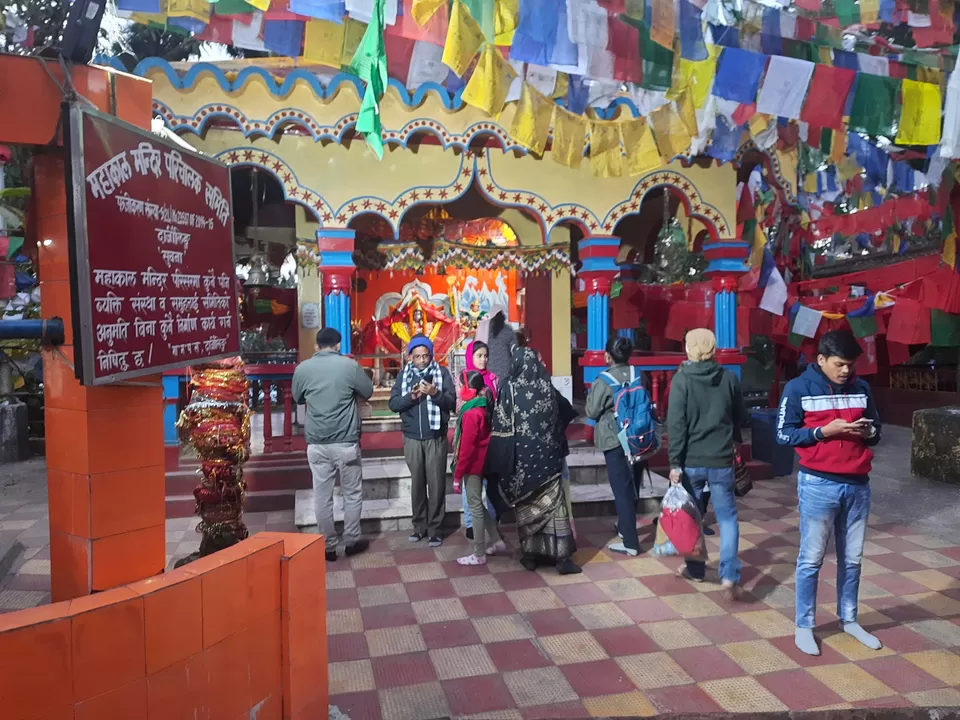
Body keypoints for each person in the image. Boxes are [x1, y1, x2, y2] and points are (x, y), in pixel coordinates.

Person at [777, 329, 882, 657]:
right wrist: (824, 431)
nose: (846, 371)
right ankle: (804, 625)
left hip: (858, 485)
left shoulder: (862, 388)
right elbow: (784, 434)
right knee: (811, 559)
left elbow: (878, 431)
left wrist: (869, 430)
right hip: (818, 484)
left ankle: (848, 619)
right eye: (839, 364)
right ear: (821, 360)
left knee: (853, 559)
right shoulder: (797, 389)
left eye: (851, 364)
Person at [487, 345, 581, 575]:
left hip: (523, 463)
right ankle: (562, 558)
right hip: (549, 461)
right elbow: (567, 410)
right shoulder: (546, 385)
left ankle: (531, 556)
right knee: (555, 508)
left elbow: (501, 424)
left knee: (527, 508)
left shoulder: (509, 386)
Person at [666, 328, 745, 599]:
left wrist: (674, 461)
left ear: (689, 349)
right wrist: (735, 441)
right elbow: (739, 417)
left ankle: (696, 569)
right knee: (728, 518)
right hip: (721, 459)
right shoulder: (729, 379)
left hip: (691, 461)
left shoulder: (681, 380)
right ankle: (729, 575)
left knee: (692, 519)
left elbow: (676, 425)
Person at [291, 327, 374, 563]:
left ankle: (328, 547)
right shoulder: (349, 366)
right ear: (338, 345)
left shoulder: (303, 369)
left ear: (317, 346)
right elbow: (367, 391)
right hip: (346, 442)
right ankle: (351, 542)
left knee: (322, 496)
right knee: (352, 494)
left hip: (317, 443)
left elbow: (298, 398)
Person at [389, 334, 456, 547]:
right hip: (412, 438)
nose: (422, 360)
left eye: (425, 356)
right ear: (410, 357)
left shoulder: (441, 373)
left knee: (436, 485)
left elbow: (451, 403)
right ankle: (419, 527)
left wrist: (435, 393)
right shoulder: (403, 377)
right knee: (417, 485)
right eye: (417, 356)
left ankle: (436, 529)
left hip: (435, 437)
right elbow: (393, 404)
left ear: (431, 355)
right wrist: (412, 397)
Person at [586, 336, 647, 557]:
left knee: (620, 489)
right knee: (632, 486)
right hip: (639, 437)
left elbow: (591, 411)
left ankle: (630, 542)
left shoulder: (603, 380)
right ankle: (624, 527)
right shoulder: (638, 374)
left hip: (614, 439)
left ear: (608, 356)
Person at [453, 371, 504, 565]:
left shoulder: (471, 414)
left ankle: (479, 552)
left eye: (460, 385)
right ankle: (497, 540)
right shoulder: (480, 407)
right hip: (480, 463)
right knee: (478, 504)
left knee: (474, 507)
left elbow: (466, 449)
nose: (458, 390)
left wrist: (457, 475)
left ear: (469, 389)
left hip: (473, 466)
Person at [457, 340, 498, 540]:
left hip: (491, 440)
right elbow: (459, 407)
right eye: (479, 356)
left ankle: (491, 523)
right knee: (470, 487)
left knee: (490, 486)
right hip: (471, 439)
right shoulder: (464, 379)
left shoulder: (493, 379)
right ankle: (472, 523)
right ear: (470, 358)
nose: (483, 360)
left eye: (485, 356)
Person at [477, 305, 514, 383]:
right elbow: (514, 347)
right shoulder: (508, 329)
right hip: (505, 366)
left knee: (490, 387)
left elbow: (477, 344)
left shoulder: (484, 327)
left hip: (488, 364)